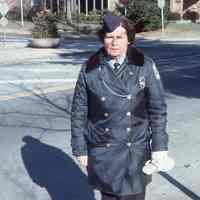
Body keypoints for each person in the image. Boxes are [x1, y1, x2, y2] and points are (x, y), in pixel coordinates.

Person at [70, 12, 174, 200]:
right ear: (103, 39)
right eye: (109, 37)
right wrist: (80, 148)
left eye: (120, 36)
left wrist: (159, 147)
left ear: (129, 39)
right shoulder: (90, 69)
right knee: (108, 195)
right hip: (103, 150)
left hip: (134, 150)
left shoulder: (144, 65)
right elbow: (79, 111)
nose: (114, 42)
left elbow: (157, 110)